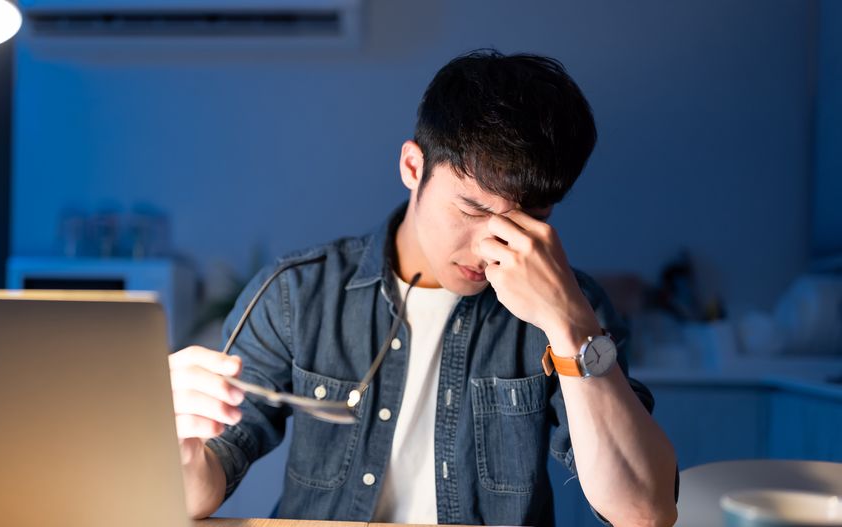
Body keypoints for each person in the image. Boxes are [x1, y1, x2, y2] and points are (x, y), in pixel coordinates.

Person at [168, 49, 679, 527]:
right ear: (413, 167)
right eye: (473, 210)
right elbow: (199, 488)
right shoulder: (296, 293)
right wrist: (179, 447)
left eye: (529, 219)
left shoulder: (574, 308)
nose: (490, 246)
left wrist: (570, 326)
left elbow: (644, 512)